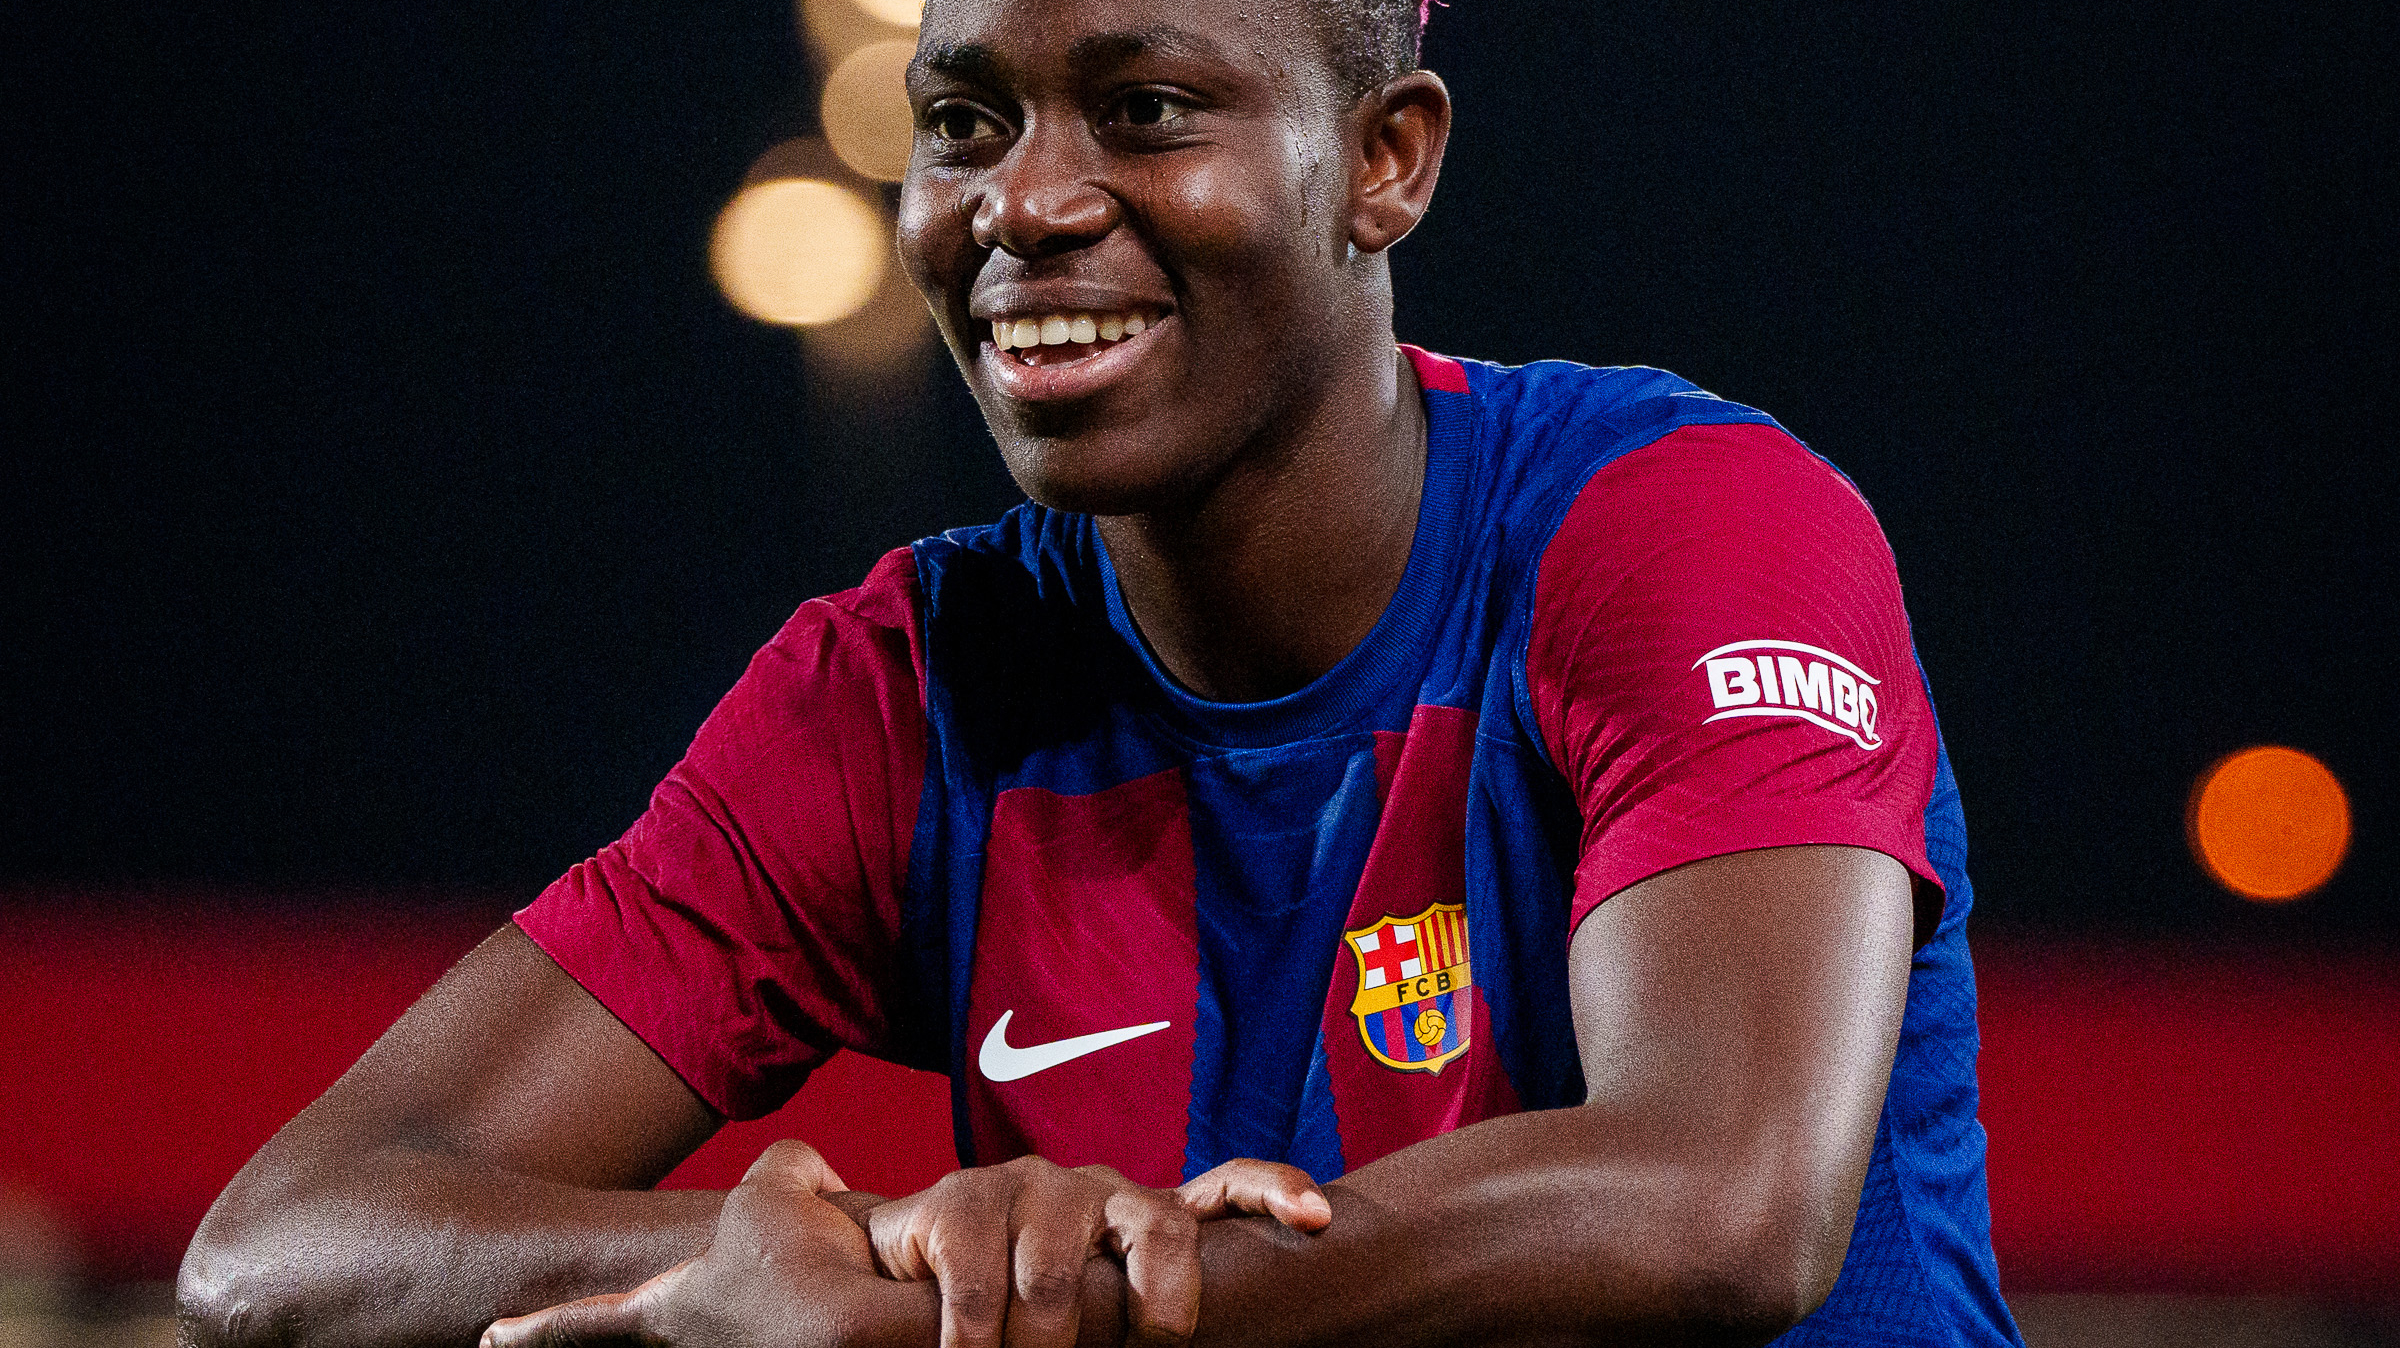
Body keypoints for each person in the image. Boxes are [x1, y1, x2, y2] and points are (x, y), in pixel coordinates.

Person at [178, 0, 2024, 1343]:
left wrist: (1000, 1302)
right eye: (964, 122)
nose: (1024, 202)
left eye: (1144, 110)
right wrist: (831, 1265)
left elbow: (1722, 1204)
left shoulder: (1678, 529)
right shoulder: (908, 687)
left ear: (1385, 162)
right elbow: (277, 1252)